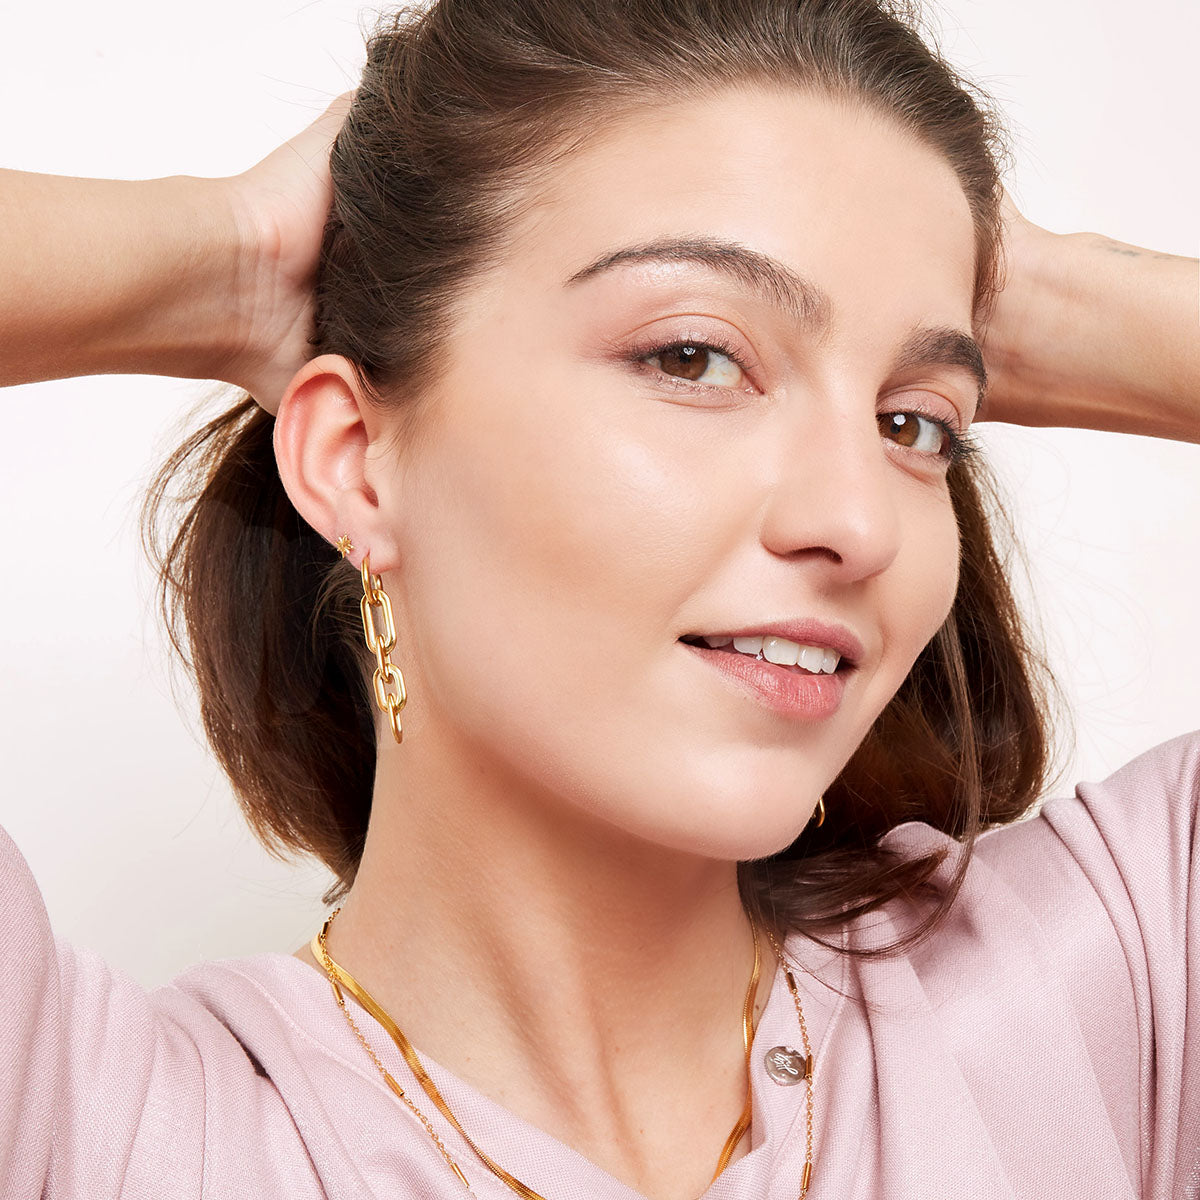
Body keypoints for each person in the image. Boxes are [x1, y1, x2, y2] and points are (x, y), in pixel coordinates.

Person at [2, 0, 1197, 1197]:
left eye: (914, 423)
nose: (859, 521)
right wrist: (233, 256)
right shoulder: (94, 1129)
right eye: (693, 357)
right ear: (356, 461)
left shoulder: (1104, 1000)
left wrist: (1039, 292)